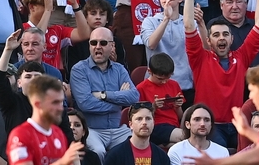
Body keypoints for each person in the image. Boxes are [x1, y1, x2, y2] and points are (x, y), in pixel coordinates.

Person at [183, 0, 259, 149]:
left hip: (237, 126)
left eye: (225, 34)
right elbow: (189, 25)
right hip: (211, 128)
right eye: (216, 35)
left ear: (231, 40)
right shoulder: (200, 58)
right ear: (209, 41)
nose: (221, 38)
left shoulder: (242, 56)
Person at [0, 30, 74, 142]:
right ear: (19, 82)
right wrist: (8, 49)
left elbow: (68, 142)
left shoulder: (55, 105)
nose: (33, 80)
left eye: (37, 76)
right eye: (28, 77)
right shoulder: (12, 103)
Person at [70, 27, 139, 158]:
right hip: (92, 130)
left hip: (118, 130)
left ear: (112, 45)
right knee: (98, 152)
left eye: (103, 43)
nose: (97, 47)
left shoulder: (119, 69)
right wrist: (118, 102)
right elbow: (86, 104)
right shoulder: (79, 70)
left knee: (137, 146)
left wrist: (104, 95)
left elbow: (134, 97)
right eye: (93, 43)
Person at [6, 74, 83, 165]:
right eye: (55, 103)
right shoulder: (20, 136)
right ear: (38, 104)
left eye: (61, 102)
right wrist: (62, 163)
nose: (60, 108)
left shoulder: (58, 133)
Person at [21, 0, 91, 71]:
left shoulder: (57, 30)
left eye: (52, 6)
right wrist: (47, 10)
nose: (51, 10)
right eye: (47, 5)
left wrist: (75, 5)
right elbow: (37, 36)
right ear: (32, 7)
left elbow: (84, 34)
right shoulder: (21, 29)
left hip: (53, 80)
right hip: (30, 78)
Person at [135, 53, 184, 147]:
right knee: (189, 137)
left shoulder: (174, 85)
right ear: (149, 71)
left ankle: (162, 145)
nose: (164, 82)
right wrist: (154, 107)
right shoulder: (141, 88)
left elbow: (180, 116)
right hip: (155, 126)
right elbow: (139, 118)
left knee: (178, 146)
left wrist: (177, 106)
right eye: (160, 79)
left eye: (168, 78)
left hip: (174, 126)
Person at [102, 102, 169, 164]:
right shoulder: (115, 155)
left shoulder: (162, 156)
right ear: (131, 124)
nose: (144, 122)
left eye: (148, 118)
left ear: (153, 123)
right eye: (139, 119)